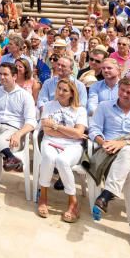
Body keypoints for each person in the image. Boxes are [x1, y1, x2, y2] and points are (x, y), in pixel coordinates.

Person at [88, 76, 130, 253]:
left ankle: (108, 193)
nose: (124, 94)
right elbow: (94, 129)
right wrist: (103, 143)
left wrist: (123, 143)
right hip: (113, 157)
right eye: (122, 90)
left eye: (129, 93)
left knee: (127, 153)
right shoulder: (104, 107)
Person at [0, 62, 37, 213]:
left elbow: (31, 122)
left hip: (12, 129)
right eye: (0, 74)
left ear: (15, 76)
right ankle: (9, 156)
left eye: (5, 74)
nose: (1, 77)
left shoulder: (25, 96)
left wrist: (18, 134)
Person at [37, 78, 88, 222]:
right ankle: (43, 196)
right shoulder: (48, 106)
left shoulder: (80, 110)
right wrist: (70, 132)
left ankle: (73, 202)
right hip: (50, 141)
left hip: (73, 145)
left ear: (72, 93)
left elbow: (79, 133)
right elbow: (47, 130)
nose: (60, 92)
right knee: (48, 158)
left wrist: (57, 126)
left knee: (62, 160)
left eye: (65, 90)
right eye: (59, 88)